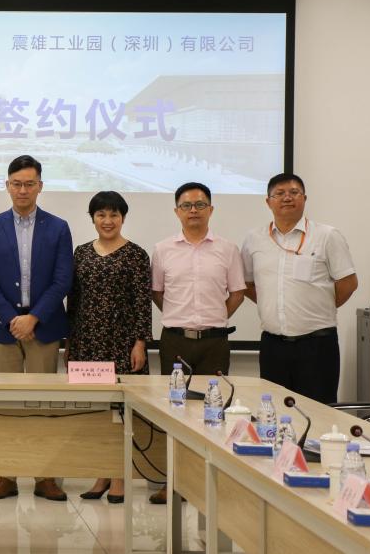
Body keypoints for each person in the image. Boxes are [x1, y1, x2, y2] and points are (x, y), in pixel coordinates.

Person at [0, 155, 73, 502]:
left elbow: (63, 279)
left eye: (29, 184)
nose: (22, 190)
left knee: (44, 403)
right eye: (16, 184)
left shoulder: (58, 227)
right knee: (7, 403)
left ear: (40, 186)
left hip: (44, 326)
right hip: (4, 328)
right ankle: (7, 475)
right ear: (7, 186)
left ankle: (46, 477)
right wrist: (11, 318)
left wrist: (35, 317)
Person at [149, 181, 245, 505]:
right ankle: (174, 481)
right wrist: (181, 319)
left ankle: (207, 482)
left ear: (211, 210)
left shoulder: (227, 249)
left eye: (200, 205)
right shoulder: (163, 249)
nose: (193, 211)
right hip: (175, 341)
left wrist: (214, 318)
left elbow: (237, 293)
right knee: (175, 413)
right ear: (177, 211)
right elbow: (158, 293)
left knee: (213, 412)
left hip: (214, 343)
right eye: (187, 206)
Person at [242, 173, 357, 404]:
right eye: (279, 193)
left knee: (319, 412)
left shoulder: (327, 236)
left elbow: (348, 282)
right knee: (274, 412)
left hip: (317, 345)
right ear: (268, 202)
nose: (287, 198)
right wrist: (271, 302)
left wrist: (320, 304)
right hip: (273, 346)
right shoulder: (254, 239)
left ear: (304, 198)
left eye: (294, 192)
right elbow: (247, 284)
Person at [67, 190, 151, 504]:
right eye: (101, 214)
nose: (107, 220)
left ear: (123, 218)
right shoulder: (81, 253)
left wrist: (140, 342)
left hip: (122, 344)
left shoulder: (136, 254)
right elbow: (74, 302)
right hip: (87, 342)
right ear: (92, 218)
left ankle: (119, 476)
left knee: (122, 413)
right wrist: (70, 344)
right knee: (98, 412)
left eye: (114, 214)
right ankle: (102, 473)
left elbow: (142, 303)